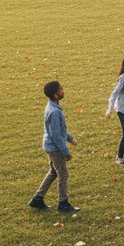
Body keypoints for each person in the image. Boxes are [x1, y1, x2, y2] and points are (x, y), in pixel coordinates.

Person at [29, 80, 79, 213]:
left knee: (53, 172)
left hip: (50, 145)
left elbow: (59, 130)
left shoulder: (52, 106)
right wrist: (66, 152)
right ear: (56, 95)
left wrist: (70, 138)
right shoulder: (55, 112)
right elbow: (56, 135)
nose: (63, 90)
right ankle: (63, 203)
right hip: (55, 148)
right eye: (61, 89)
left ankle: (37, 199)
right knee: (63, 174)